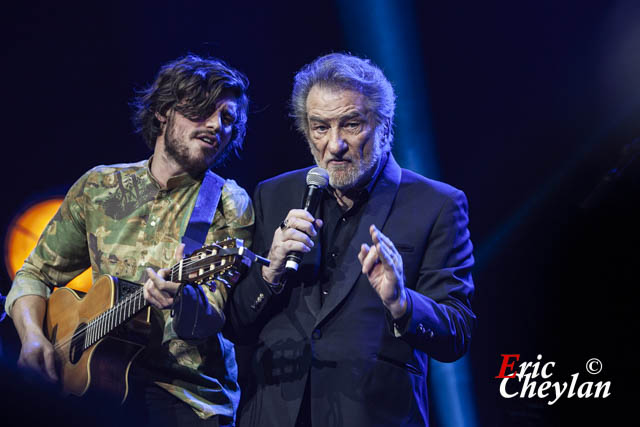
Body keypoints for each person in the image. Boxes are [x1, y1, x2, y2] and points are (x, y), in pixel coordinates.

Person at [226, 53, 475, 426]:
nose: (335, 145)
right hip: (274, 413)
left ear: (384, 126)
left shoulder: (437, 205)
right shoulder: (273, 194)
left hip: (372, 413)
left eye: (352, 125)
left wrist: (402, 302)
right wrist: (270, 273)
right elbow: (236, 325)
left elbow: (455, 334)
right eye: (320, 128)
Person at [4, 55, 254, 427]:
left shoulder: (227, 202)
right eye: (203, 111)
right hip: (92, 390)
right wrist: (32, 338)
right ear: (163, 112)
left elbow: (215, 314)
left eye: (228, 118)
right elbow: (34, 274)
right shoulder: (98, 187)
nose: (216, 125)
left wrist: (181, 298)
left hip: (185, 397)